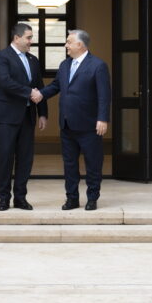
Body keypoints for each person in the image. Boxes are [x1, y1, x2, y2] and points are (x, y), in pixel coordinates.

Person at [34, 29, 110, 211]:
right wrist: (39, 95)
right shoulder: (64, 65)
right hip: (67, 125)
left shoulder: (98, 65)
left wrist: (103, 118)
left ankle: (92, 198)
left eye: (69, 42)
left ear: (80, 44)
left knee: (93, 164)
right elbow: (54, 86)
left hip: (90, 126)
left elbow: (104, 96)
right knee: (69, 166)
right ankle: (72, 199)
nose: (66, 45)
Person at [0, 23, 48, 211]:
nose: (31, 41)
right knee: (6, 158)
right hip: (6, 117)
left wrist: (43, 113)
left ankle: (20, 198)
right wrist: (30, 92)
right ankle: (4, 198)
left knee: (25, 159)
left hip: (27, 116)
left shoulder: (33, 59)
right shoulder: (1, 57)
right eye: (29, 37)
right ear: (16, 38)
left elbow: (39, 86)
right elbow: (6, 82)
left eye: (31, 37)